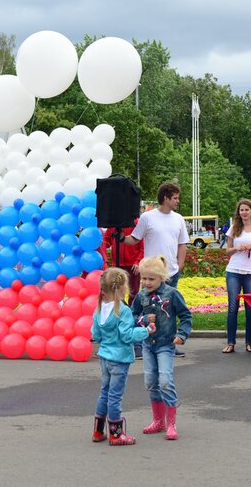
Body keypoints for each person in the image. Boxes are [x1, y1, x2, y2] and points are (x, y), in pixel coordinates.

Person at [90, 268, 155, 446]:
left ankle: (98, 430)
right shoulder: (123, 310)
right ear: (121, 288)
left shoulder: (99, 308)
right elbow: (127, 336)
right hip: (119, 359)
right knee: (115, 396)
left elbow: (95, 334)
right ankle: (116, 434)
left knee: (104, 392)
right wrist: (146, 331)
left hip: (104, 355)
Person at [124, 182, 189, 356]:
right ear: (165, 198)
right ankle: (139, 344)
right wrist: (122, 239)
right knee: (146, 308)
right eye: (175, 198)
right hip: (151, 274)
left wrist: (179, 265)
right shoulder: (148, 217)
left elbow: (183, 244)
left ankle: (168, 344)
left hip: (171, 273)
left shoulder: (179, 219)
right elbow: (135, 238)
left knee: (169, 310)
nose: (177, 201)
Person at [131, 256, 192, 440]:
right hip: (148, 344)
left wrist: (182, 334)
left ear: (162, 278)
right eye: (144, 278)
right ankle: (158, 421)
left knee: (165, 381)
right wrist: (142, 320)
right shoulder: (141, 296)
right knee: (150, 382)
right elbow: (132, 316)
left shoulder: (171, 294)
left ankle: (171, 423)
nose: (146, 282)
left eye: (151, 279)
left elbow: (185, 315)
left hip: (166, 345)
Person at [223, 198, 251, 353]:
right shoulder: (234, 228)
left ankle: (250, 342)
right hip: (234, 271)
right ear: (239, 212)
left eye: (246, 210)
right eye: (241, 210)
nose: (244, 212)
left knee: (250, 308)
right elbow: (227, 250)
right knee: (232, 307)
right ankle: (231, 342)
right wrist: (238, 247)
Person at [102, 224, 145, 358]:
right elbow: (105, 241)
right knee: (117, 299)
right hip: (118, 265)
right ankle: (117, 335)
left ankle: (134, 337)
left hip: (132, 266)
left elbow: (142, 246)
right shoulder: (114, 224)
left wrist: (138, 262)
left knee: (134, 299)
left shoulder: (137, 223)